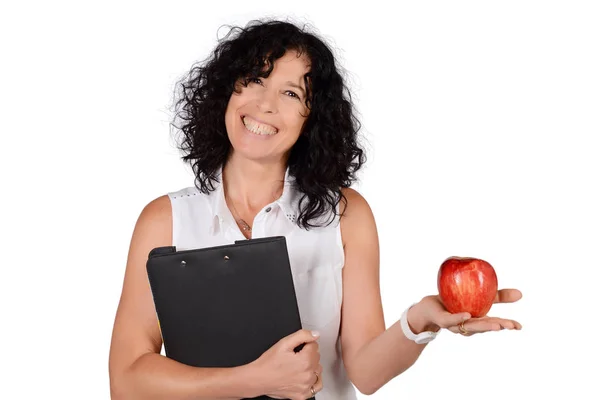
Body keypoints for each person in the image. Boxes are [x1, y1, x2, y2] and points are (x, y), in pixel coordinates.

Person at [108, 18, 522, 400]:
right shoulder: (164, 220)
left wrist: (419, 324)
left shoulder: (346, 214)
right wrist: (255, 379)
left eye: (291, 93)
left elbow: (365, 372)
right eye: (253, 80)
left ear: (312, 118)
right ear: (226, 91)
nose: (265, 105)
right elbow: (125, 382)